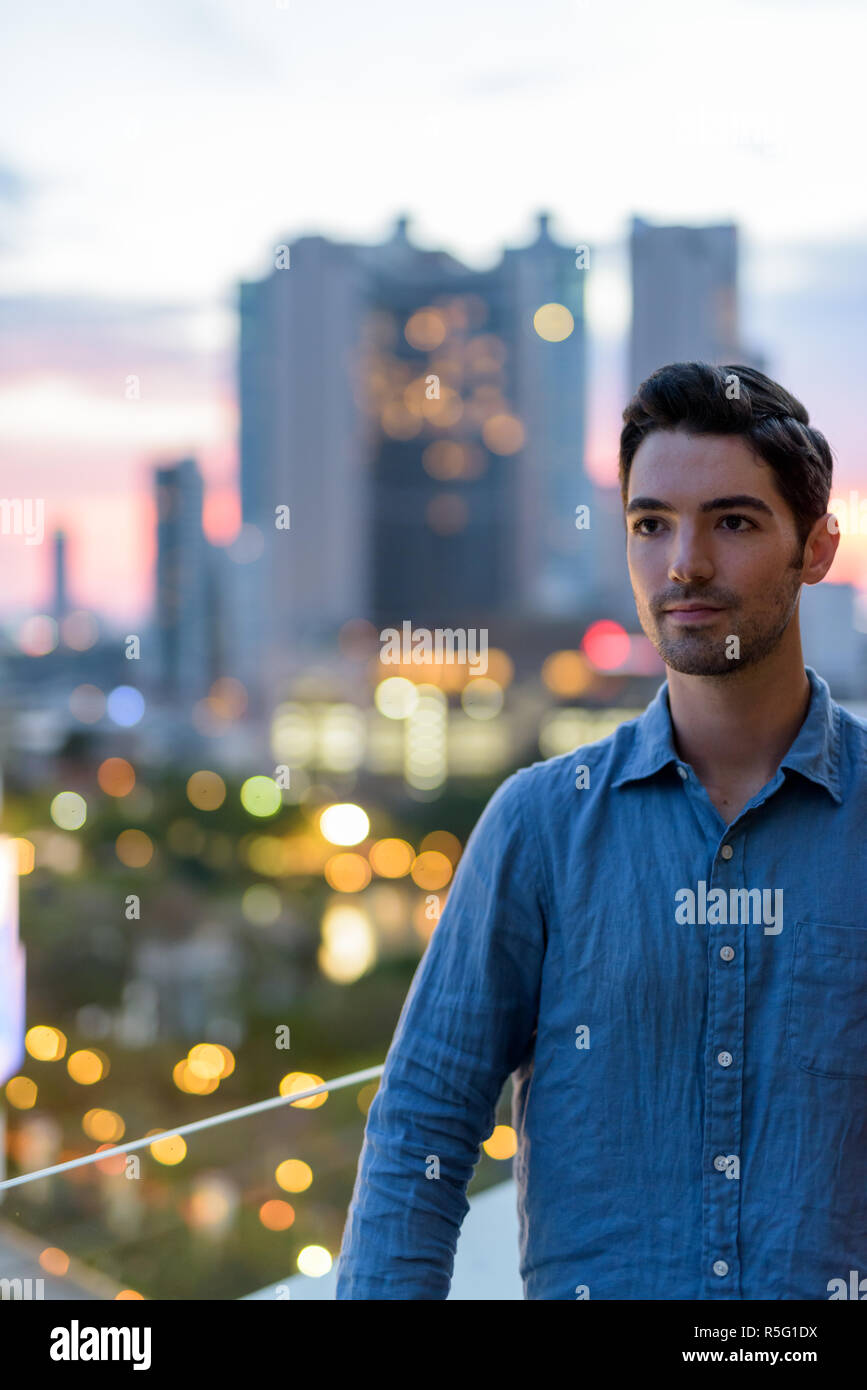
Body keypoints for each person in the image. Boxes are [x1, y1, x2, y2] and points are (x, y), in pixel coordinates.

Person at [336, 362, 866, 1300]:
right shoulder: (539, 826)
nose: (684, 564)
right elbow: (422, 1124)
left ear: (816, 549)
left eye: (732, 523)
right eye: (650, 524)